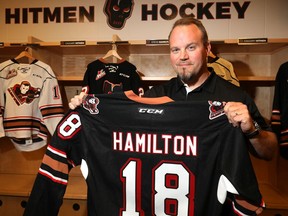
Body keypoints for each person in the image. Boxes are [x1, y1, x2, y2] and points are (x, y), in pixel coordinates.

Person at [70, 17, 277, 161]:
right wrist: (86, 108)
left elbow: (269, 152)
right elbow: (118, 120)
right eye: (175, 50)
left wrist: (252, 130)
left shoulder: (234, 96)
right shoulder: (158, 95)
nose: (183, 56)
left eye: (191, 47)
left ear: (207, 49)